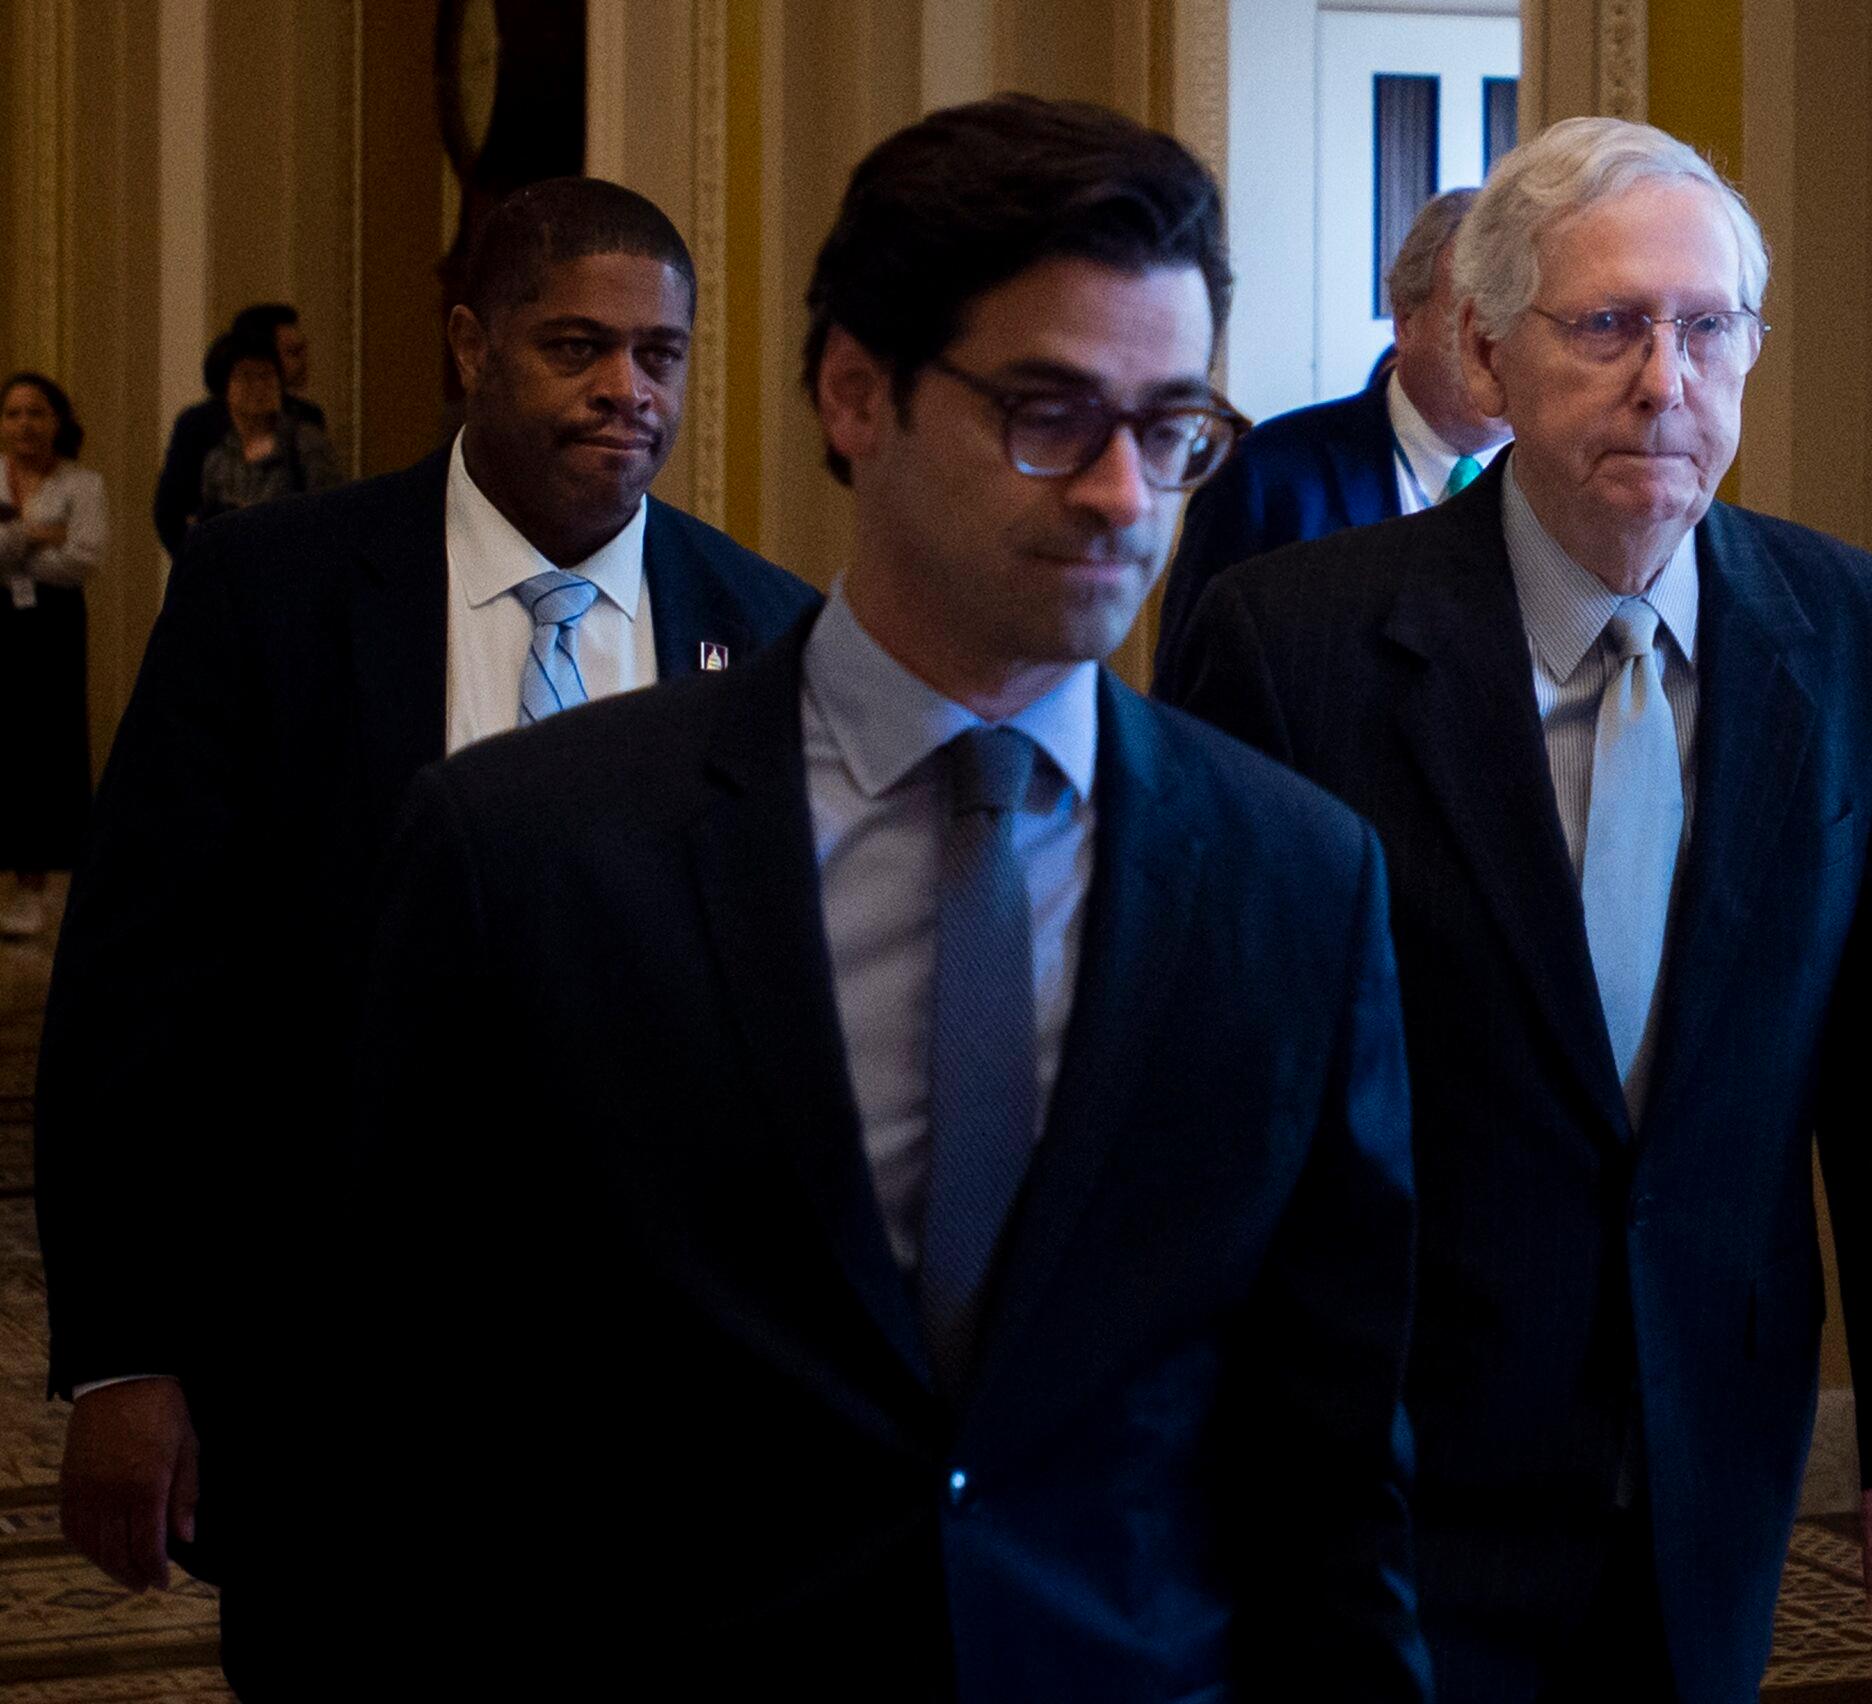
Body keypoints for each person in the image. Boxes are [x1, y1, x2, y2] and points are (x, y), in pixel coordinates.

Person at [348, 96, 1427, 1698]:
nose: (1127, 495)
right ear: (857, 392)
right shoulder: (535, 851)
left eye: (1173, 427)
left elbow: (1332, 1465)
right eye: (1050, 414)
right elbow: (390, 1422)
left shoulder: (1297, 877)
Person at [1167, 115, 1872, 1702]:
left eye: (1706, 329)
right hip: (1391, 1440)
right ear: (1484, 353)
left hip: (1713, 1433)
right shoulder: (1297, 642)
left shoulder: (1850, 624)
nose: (1663, 379)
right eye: (1608, 325)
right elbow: (1210, 1087)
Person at [34, 177, 818, 1696]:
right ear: (473, 342)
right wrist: (126, 1354)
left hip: (661, 1411)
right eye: (578, 346)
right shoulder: (274, 595)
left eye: (659, 354)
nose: (626, 391)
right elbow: (139, 984)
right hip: (340, 1394)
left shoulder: (766, 629)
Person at [1151, 186, 1510, 674]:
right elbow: (1189, 702)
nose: (1496, 350)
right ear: (1405, 320)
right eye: (1469, 321)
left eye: (1513, 322)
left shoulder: (1566, 486)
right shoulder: (1265, 480)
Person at [0, 372, 107, 940]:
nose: (25, 425)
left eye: (36, 413)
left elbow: (82, 556)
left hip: (53, 626)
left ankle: (37, 887)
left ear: (58, 421)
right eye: (14, 413)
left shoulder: (82, 483)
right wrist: (35, 536)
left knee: (46, 742)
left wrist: (13, 549)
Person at [150, 304, 327, 556]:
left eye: (265, 376)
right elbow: (174, 511)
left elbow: (323, 503)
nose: (258, 387)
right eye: (292, 352)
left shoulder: (304, 427)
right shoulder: (206, 432)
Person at [193, 332, 343, 522]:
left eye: (267, 375)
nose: (259, 386)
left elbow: (331, 510)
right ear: (224, 388)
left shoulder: (305, 441)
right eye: (246, 377)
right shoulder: (218, 459)